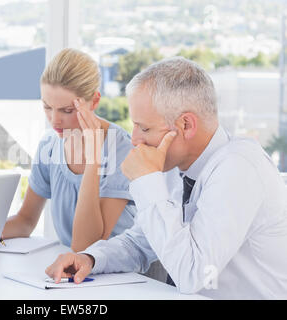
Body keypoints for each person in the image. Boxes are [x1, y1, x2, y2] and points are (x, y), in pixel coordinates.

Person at [45, 57, 287, 299]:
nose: (135, 140)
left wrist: (147, 180)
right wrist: (90, 258)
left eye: (144, 128)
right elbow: (140, 242)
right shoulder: (175, 165)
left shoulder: (239, 168)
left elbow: (192, 274)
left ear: (185, 124)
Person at [1, 48, 137, 252]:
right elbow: (25, 220)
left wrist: (93, 159)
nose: (55, 120)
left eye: (67, 110)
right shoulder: (50, 145)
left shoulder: (122, 150)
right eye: (47, 107)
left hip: (120, 274)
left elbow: (87, 246)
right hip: (73, 271)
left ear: (95, 101)